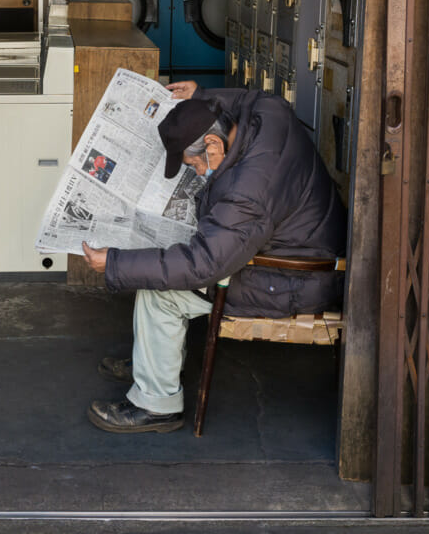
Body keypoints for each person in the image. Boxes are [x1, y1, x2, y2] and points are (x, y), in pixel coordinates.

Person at [80, 80, 346, 434]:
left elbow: (202, 265)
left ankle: (156, 404)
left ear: (213, 144)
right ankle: (153, 359)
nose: (198, 171)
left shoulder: (247, 193)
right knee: (167, 257)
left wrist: (113, 263)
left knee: (160, 291)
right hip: (309, 245)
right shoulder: (270, 115)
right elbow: (256, 96)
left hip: (293, 279)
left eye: (194, 164)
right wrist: (201, 97)